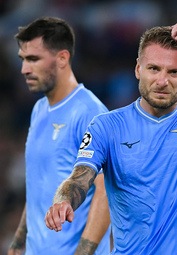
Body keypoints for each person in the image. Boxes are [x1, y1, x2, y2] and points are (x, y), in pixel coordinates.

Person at [44, 23, 177, 254]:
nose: (162, 81)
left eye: (174, 72)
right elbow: (79, 178)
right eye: (154, 68)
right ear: (138, 69)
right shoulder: (107, 126)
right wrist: (63, 201)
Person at [8, 17, 111, 255]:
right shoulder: (39, 109)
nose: (24, 69)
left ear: (63, 58)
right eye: (23, 60)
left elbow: (104, 193)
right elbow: (39, 185)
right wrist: (18, 243)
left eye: (33, 59)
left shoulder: (90, 112)